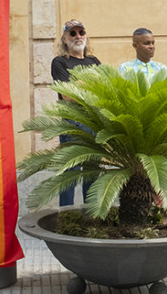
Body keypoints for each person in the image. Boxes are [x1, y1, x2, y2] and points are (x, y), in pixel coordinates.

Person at [51, 19, 101, 207]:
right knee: (70, 174)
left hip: (94, 124)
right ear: (64, 39)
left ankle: (90, 215)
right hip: (72, 126)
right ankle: (66, 215)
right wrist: (91, 82)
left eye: (81, 32)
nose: (78, 36)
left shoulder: (94, 61)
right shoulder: (60, 62)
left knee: (92, 173)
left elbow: (105, 88)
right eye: (72, 33)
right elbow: (67, 95)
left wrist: (79, 84)